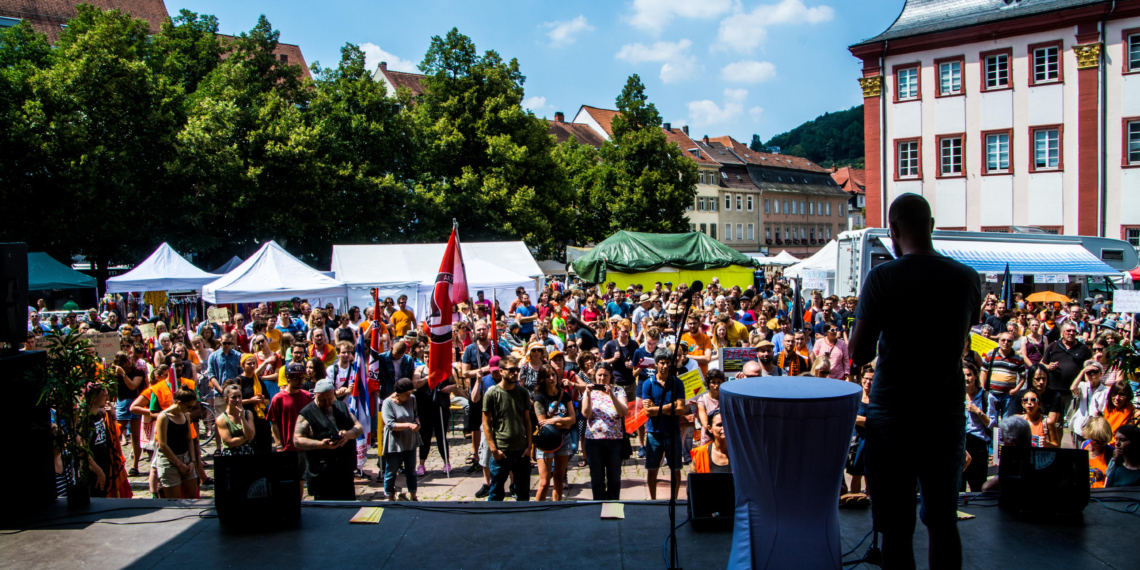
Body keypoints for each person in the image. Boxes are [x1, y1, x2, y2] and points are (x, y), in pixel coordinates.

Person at [849, 193, 980, 570]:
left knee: (896, 528)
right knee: (943, 521)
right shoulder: (967, 278)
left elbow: (859, 353)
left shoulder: (883, 277)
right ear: (932, 225)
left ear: (892, 230)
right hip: (945, 412)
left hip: (894, 414)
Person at [295, 379, 363, 501]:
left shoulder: (341, 407)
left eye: (330, 398)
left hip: (344, 470)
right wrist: (321, 444)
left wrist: (348, 434)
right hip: (323, 474)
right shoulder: (307, 413)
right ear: (315, 394)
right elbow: (297, 440)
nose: (327, 402)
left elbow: (358, 427)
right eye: (322, 400)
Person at [482, 354, 534, 501]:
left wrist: (529, 447)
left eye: (517, 370)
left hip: (521, 451)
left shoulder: (522, 393)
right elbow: (486, 423)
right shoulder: (492, 393)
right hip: (502, 450)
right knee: (496, 493)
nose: (515, 373)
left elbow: (527, 421)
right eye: (511, 370)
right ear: (501, 371)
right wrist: (493, 449)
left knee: (523, 494)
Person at [640, 348, 686, 500]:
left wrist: (656, 408)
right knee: (652, 470)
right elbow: (647, 412)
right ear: (656, 364)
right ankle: (652, 500)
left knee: (676, 469)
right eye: (662, 363)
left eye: (668, 363)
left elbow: (680, 410)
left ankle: (674, 499)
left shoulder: (677, 383)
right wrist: (669, 406)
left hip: (674, 432)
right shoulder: (648, 383)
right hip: (654, 433)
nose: (665, 366)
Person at [581, 362, 628, 500]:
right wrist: (588, 395)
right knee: (597, 478)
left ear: (611, 376)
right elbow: (586, 414)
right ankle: (598, 505)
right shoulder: (589, 391)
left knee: (614, 478)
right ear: (595, 376)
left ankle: (613, 507)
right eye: (599, 375)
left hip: (614, 441)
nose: (602, 378)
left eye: (605, 375)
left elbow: (623, 411)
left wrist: (611, 395)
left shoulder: (619, 391)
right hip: (594, 440)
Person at [533, 364, 576, 501]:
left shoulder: (565, 395)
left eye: (553, 375)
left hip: (564, 439)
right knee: (544, 482)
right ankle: (536, 511)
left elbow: (573, 419)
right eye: (547, 376)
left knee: (559, 479)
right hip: (546, 440)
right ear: (542, 379)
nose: (551, 378)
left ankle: (556, 508)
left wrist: (554, 420)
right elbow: (543, 423)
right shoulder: (539, 398)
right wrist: (563, 421)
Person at [84, 385, 132, 498]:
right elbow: (83, 450)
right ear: (94, 397)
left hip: (106, 462)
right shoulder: (85, 420)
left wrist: (113, 416)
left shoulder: (101, 414)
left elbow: (114, 436)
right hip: (94, 467)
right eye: (103, 394)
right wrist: (98, 471)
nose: (106, 397)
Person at [154, 388, 200, 499]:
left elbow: (189, 439)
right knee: (174, 502)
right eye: (188, 407)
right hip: (169, 462)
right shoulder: (163, 417)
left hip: (186, 459)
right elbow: (162, 445)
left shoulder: (185, 415)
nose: (190, 410)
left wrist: (193, 461)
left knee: (192, 499)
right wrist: (179, 465)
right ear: (179, 403)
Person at [382, 378, 422, 501]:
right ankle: (390, 496)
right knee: (391, 470)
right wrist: (408, 425)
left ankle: (413, 495)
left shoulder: (412, 399)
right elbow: (390, 424)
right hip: (395, 441)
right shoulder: (387, 403)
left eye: (411, 393)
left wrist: (417, 422)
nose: (409, 396)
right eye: (406, 394)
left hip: (409, 440)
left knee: (411, 470)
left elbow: (415, 415)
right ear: (398, 393)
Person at [1042, 321, 1092, 416]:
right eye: (1068, 331)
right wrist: (1049, 367)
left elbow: (1089, 367)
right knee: (1055, 422)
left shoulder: (1083, 348)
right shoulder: (1053, 346)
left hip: (1073, 391)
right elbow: (1042, 364)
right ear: (1062, 332)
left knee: (1073, 420)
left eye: (1074, 331)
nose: (1071, 333)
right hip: (1055, 391)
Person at [962, 363, 998, 492]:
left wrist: (978, 412)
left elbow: (993, 426)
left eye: (969, 375)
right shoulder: (957, 396)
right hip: (961, 443)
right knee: (958, 485)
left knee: (977, 485)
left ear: (976, 376)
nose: (966, 378)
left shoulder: (987, 397)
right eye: (963, 375)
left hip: (978, 444)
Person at [112, 351, 145, 476]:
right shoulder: (114, 373)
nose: (129, 361)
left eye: (129, 358)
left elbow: (132, 386)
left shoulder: (138, 371)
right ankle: (118, 464)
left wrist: (123, 374)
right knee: (116, 434)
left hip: (135, 403)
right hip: (121, 404)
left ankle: (135, 466)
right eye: (125, 360)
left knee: (136, 437)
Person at [236, 353, 273, 453]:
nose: (252, 366)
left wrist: (261, 400)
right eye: (249, 364)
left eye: (254, 363)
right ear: (243, 365)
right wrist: (251, 400)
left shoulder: (258, 380)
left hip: (261, 417)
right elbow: (235, 402)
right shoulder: (238, 381)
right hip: (247, 417)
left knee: (265, 446)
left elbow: (267, 400)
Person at [1070, 361, 1110, 448]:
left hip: (1095, 428)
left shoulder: (1105, 391)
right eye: (1089, 372)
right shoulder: (1083, 385)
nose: (1092, 374)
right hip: (1080, 426)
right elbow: (1073, 388)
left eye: (1094, 371)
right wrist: (1082, 372)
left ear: (1100, 373)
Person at [215, 383, 256, 456]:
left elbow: (251, 435)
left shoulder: (248, 414)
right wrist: (246, 437)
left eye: (239, 396)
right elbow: (230, 442)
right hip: (231, 455)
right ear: (226, 398)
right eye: (233, 397)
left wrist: (242, 418)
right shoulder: (221, 419)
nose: (237, 400)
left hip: (248, 453)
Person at [690, 409, 730, 473]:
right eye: (720, 425)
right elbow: (692, 481)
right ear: (710, 428)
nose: (724, 428)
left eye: (727, 424)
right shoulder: (700, 454)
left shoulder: (742, 453)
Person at [1081, 417, 1115, 488]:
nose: (1099, 444)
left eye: (1103, 440)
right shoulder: (1085, 445)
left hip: (1101, 494)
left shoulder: (1111, 453)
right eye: (1095, 440)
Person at [207, 333, 242, 401]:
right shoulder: (213, 356)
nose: (226, 345)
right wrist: (221, 390)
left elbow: (241, 374)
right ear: (220, 341)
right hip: (219, 394)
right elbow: (211, 375)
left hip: (235, 394)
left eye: (229, 343)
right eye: (224, 343)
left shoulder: (238, 356)